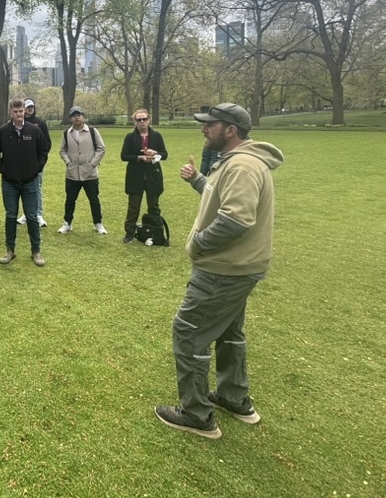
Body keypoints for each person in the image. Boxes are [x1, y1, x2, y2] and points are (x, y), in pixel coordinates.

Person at [154, 103, 283, 439]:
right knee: (228, 332)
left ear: (230, 130)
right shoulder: (236, 163)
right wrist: (198, 180)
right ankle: (233, 397)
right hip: (239, 267)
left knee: (188, 331)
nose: (203, 130)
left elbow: (237, 219)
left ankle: (197, 414)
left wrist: (198, 243)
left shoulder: (242, 165)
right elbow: (221, 197)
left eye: (210, 125)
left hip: (224, 269)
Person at [0, 98, 50, 266]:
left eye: (21, 111)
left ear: (24, 111)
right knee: (10, 216)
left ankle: (36, 251)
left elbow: (44, 150)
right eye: (15, 112)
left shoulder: (34, 130)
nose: (19, 114)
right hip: (10, 182)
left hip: (30, 181)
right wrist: (4, 169)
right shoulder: (2, 132)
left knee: (32, 216)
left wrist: (36, 168)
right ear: (10, 112)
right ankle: (10, 250)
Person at [57, 106, 108, 235]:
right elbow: (62, 150)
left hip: (90, 173)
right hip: (72, 173)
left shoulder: (92, 131)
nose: (77, 117)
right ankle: (67, 223)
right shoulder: (66, 133)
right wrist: (68, 162)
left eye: (79, 114)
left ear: (83, 116)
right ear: (70, 118)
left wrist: (92, 164)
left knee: (94, 199)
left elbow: (101, 148)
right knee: (70, 200)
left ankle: (98, 223)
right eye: (74, 115)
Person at [121, 109, 168, 244]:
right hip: (136, 176)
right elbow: (124, 156)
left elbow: (164, 154)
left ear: (149, 120)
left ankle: (156, 231)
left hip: (153, 176)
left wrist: (156, 153)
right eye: (138, 120)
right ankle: (129, 233)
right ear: (134, 121)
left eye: (144, 119)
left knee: (154, 206)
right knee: (133, 206)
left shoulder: (157, 136)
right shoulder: (130, 137)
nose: (142, 122)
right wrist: (140, 157)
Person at [16, 99, 51, 227]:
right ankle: (26, 214)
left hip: (36, 164)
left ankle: (38, 214)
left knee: (37, 188)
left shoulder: (40, 123)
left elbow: (47, 143)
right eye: (27, 107)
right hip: (22, 164)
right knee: (24, 189)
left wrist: (41, 162)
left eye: (32, 107)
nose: (30, 109)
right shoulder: (18, 123)